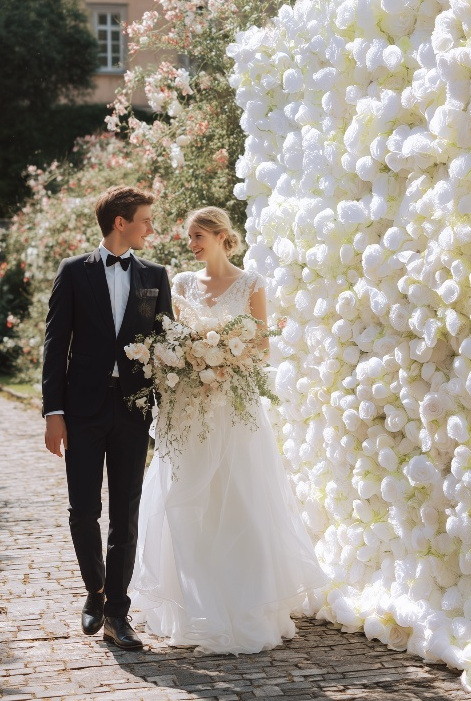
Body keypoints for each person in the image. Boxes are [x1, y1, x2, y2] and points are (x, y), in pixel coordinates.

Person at [129, 205, 326, 654]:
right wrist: (192, 360)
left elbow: (261, 346)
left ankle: (246, 608)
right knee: (188, 504)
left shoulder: (252, 284)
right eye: (190, 238)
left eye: (199, 235)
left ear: (221, 236)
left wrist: (225, 361)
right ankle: (195, 609)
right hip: (189, 409)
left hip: (234, 410)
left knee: (239, 501)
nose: (192, 245)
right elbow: (169, 340)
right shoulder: (179, 284)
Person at [42, 186, 173, 650]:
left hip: (134, 409)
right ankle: (95, 590)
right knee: (83, 510)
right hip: (81, 410)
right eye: (145, 220)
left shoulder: (155, 275)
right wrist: (53, 412)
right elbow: (56, 346)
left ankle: (118, 613)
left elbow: (166, 345)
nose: (150, 228)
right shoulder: (74, 272)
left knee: (126, 514)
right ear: (121, 222)